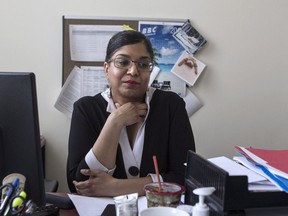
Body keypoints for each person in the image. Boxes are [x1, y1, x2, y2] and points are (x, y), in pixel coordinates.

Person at [66, 30, 196, 197]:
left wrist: (116, 187)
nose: (133, 71)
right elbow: (79, 184)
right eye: (123, 62)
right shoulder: (85, 109)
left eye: (143, 64)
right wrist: (114, 122)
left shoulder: (170, 105)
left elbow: (185, 176)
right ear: (106, 69)